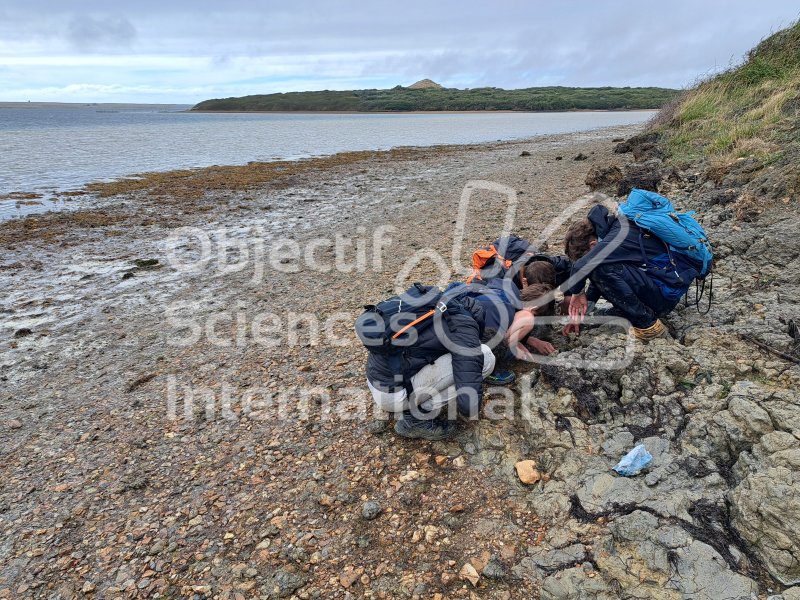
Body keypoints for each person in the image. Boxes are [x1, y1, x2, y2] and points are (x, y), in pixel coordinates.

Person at [561, 204, 704, 339]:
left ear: (593, 244)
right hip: (662, 288)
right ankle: (640, 315)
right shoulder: (616, 229)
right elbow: (600, 280)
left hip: (663, 298)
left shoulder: (616, 238)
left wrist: (577, 293)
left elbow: (584, 267)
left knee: (598, 268)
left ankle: (648, 325)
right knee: (598, 268)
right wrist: (582, 312)